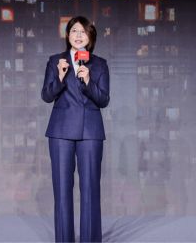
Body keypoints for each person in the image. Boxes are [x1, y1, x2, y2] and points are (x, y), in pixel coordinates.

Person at [41, 16, 110, 242]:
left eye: (83, 32)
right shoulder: (56, 61)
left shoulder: (99, 64)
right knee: (62, 191)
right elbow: (46, 95)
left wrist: (88, 81)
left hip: (90, 132)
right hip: (60, 132)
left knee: (90, 190)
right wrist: (60, 78)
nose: (78, 36)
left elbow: (103, 100)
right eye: (74, 31)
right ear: (67, 35)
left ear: (90, 37)